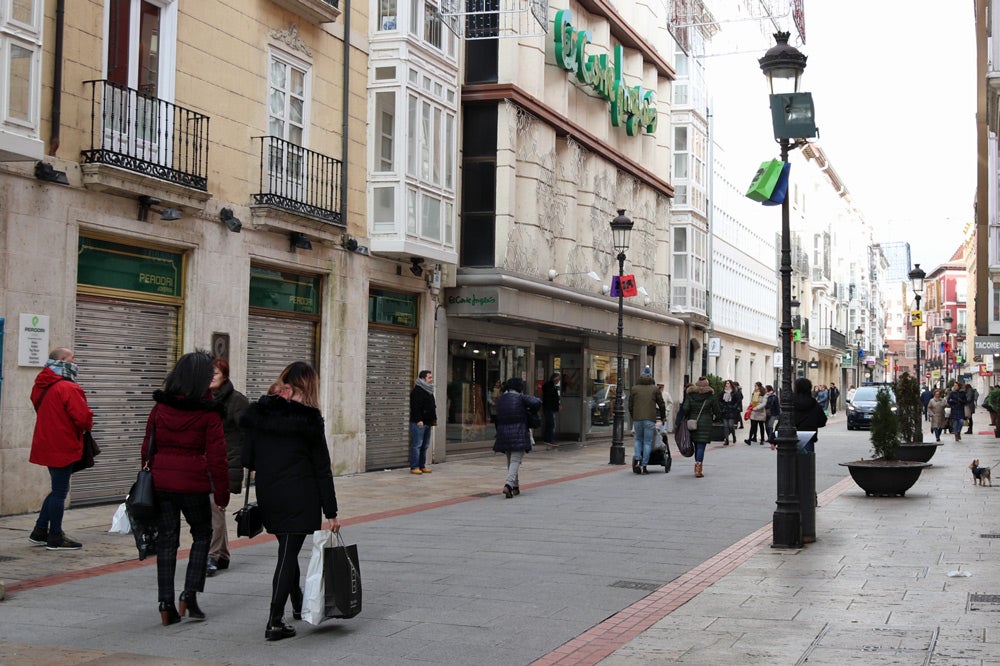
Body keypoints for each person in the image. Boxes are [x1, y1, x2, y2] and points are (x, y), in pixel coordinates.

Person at [241, 361, 340, 641]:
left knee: (287, 547)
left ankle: (296, 602)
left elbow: (247, 458)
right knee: (287, 554)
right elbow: (322, 467)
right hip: (300, 494)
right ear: (310, 385)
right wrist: (331, 512)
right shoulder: (309, 418)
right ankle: (274, 621)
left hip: (269, 492)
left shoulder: (262, 411)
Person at [142, 351, 229, 626]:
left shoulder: (160, 408)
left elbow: (147, 447)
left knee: (167, 540)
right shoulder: (208, 413)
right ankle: (189, 594)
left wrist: (152, 473)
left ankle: (165, 602)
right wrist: (222, 494)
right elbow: (218, 457)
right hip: (193, 484)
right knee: (202, 534)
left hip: (162, 483)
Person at [28, 347, 94, 550]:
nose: (76, 360)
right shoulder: (68, 387)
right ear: (64, 360)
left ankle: (39, 531)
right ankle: (55, 537)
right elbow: (83, 419)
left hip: (47, 442)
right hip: (62, 444)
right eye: (73, 357)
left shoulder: (42, 384)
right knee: (60, 492)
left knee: (56, 489)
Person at [206, 357, 249, 577]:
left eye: (216, 372)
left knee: (216, 509)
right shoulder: (200, 398)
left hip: (225, 464)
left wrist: (252, 460)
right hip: (203, 462)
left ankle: (212, 557)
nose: (212, 376)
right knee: (212, 511)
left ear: (225, 375)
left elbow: (249, 432)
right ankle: (221, 555)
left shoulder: (236, 401)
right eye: (209, 372)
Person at [492, 377, 542, 497]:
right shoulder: (520, 398)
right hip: (519, 432)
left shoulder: (501, 399)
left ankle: (515, 486)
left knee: (510, 459)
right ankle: (508, 485)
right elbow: (537, 402)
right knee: (515, 460)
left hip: (504, 433)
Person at [680, 377, 721, 478]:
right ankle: (698, 468)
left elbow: (685, 409)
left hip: (692, 423)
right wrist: (717, 418)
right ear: (707, 385)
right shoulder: (710, 396)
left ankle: (697, 465)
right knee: (701, 446)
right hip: (705, 423)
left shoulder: (690, 395)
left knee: (695, 444)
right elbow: (717, 410)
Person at [628, 366, 666, 474]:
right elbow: (661, 404)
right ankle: (644, 466)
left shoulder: (634, 388)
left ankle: (637, 460)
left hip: (637, 419)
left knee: (638, 440)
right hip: (649, 419)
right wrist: (663, 417)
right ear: (651, 377)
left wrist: (633, 416)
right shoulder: (654, 389)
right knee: (647, 442)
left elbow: (630, 405)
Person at [408, 370, 437, 474]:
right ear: (423, 379)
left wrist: (433, 419)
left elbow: (432, 406)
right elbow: (415, 407)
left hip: (427, 422)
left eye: (431, 377)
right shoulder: (417, 391)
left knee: (425, 446)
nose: (431, 379)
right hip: (419, 423)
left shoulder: (428, 390)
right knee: (417, 445)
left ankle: (422, 465)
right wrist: (418, 420)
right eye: (429, 377)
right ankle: (414, 467)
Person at [791, 377, 828, 450]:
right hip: (808, 437)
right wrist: (812, 424)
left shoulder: (790, 403)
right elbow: (822, 421)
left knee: (788, 460)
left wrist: (773, 439)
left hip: (791, 437)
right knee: (807, 459)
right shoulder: (814, 404)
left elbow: (783, 420)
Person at [717, 379, 742, 445]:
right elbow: (719, 401)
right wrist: (722, 406)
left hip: (731, 411)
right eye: (726, 383)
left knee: (730, 425)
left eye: (728, 383)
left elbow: (738, 401)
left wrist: (733, 407)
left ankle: (733, 436)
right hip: (725, 411)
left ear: (731, 384)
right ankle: (726, 439)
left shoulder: (734, 393)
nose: (727, 385)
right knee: (725, 426)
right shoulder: (722, 393)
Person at [541, 372, 561, 447]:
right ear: (555, 379)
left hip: (549, 408)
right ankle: (549, 439)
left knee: (550, 424)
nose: (558, 381)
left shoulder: (551, 386)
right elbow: (551, 399)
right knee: (551, 424)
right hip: (549, 408)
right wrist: (557, 405)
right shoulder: (550, 387)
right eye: (558, 379)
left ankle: (549, 439)